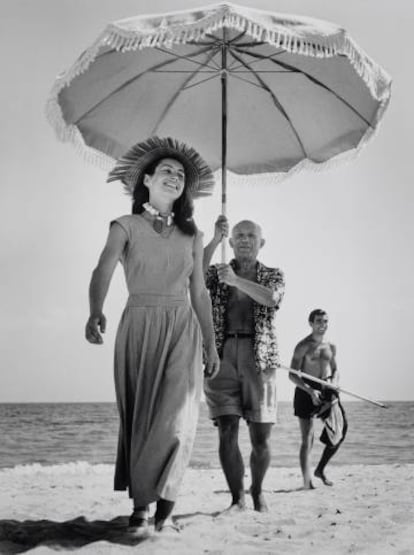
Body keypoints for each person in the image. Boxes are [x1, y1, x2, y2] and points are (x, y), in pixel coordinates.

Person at [85, 137, 220, 535]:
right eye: (167, 171)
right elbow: (103, 269)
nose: (174, 177)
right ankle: (142, 505)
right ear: (146, 179)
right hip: (139, 324)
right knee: (143, 418)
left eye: (180, 174)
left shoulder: (193, 235)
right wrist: (95, 310)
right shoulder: (124, 226)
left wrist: (211, 344)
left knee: (178, 420)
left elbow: (199, 292)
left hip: (182, 327)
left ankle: (166, 506)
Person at [203, 216, 285, 512]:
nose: (245, 240)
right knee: (226, 428)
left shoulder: (273, 274)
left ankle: (258, 490)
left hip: (259, 358)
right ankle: (237, 497)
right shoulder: (218, 272)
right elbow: (194, 277)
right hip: (222, 354)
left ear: (261, 242)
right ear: (232, 242)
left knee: (261, 436)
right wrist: (213, 240)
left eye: (251, 235)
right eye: (239, 235)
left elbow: (271, 300)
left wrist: (236, 281)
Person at [289, 309, 347, 489]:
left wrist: (334, 382)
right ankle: (307, 481)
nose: (323, 325)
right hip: (305, 390)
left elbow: (335, 369)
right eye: (319, 321)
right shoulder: (303, 346)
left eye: (325, 321)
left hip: (326, 388)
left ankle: (320, 469)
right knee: (308, 438)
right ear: (311, 323)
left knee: (340, 431)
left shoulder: (331, 346)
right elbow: (292, 375)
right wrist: (309, 391)